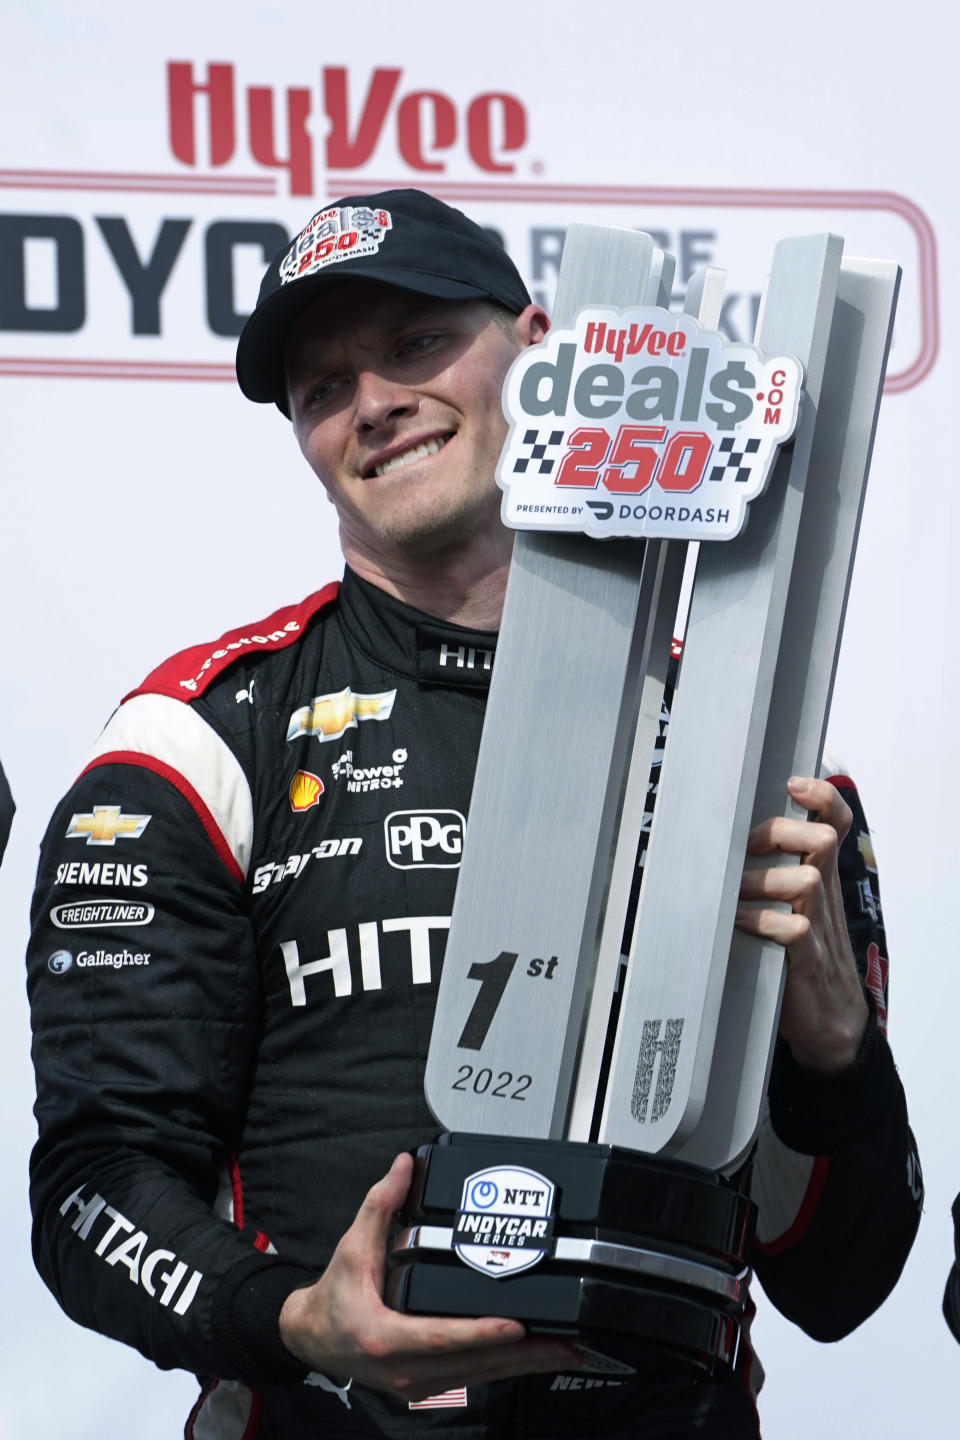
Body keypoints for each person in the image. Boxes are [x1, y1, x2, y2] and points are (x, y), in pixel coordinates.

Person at [27, 189, 922, 1439]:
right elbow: (93, 1188)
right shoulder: (194, 744)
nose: (373, 401)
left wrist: (832, 1048)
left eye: (412, 345)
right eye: (322, 386)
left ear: (543, 352)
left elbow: (842, 1281)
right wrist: (292, 1319)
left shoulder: (746, 749)